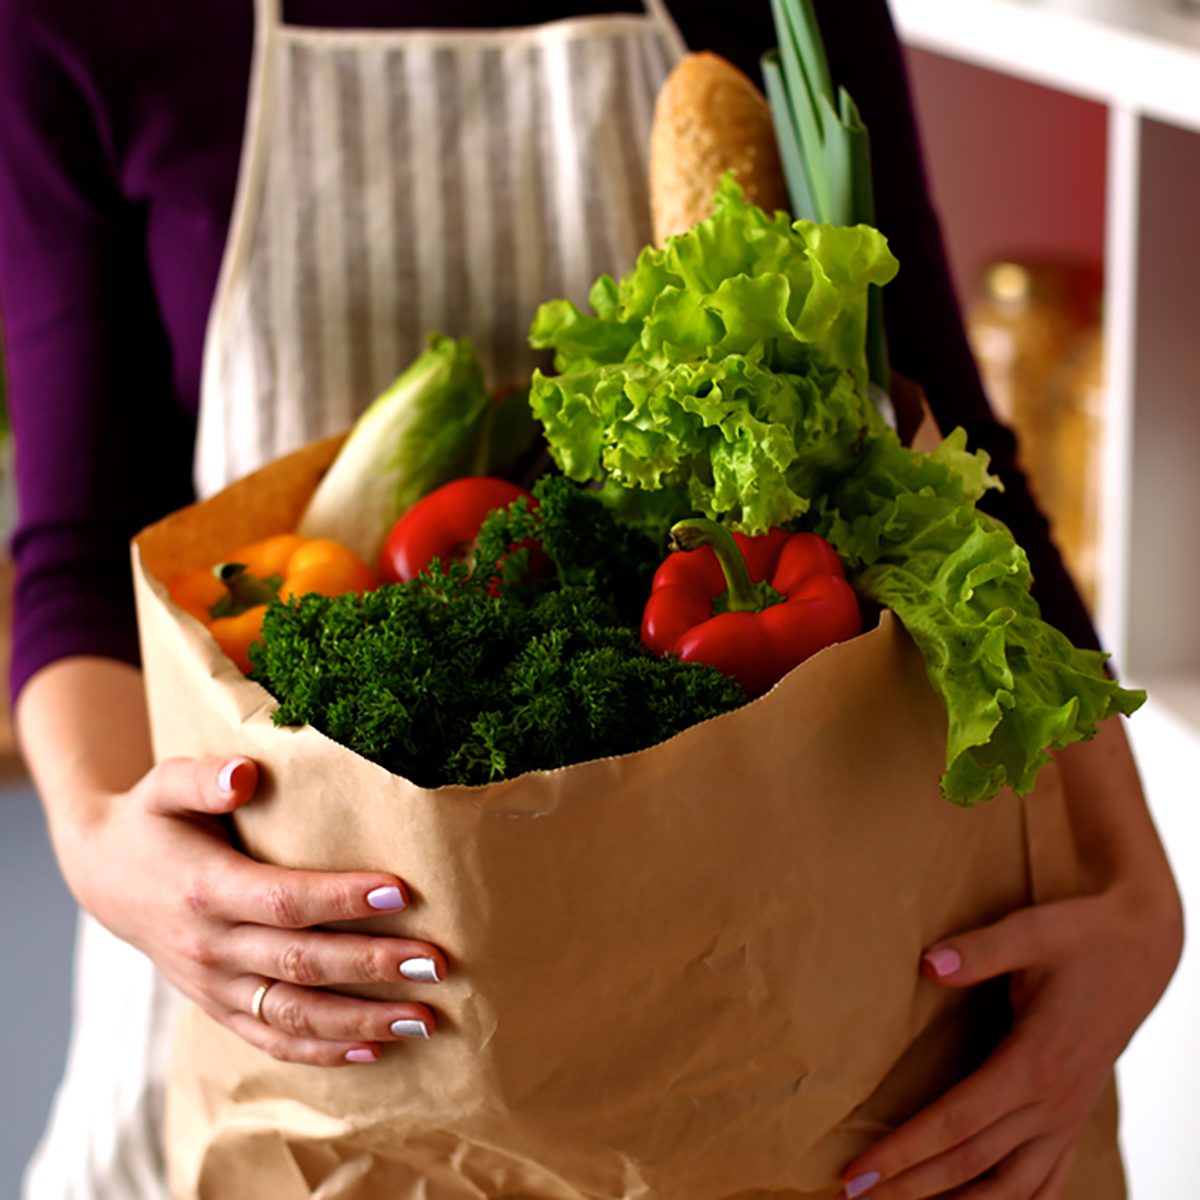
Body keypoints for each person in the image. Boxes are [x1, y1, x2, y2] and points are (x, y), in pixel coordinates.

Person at [0, 0, 1181, 1197]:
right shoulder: (87, 25)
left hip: (776, 1016)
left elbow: (942, 477)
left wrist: (1140, 888)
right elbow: (85, 545)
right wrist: (100, 845)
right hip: (297, 1012)